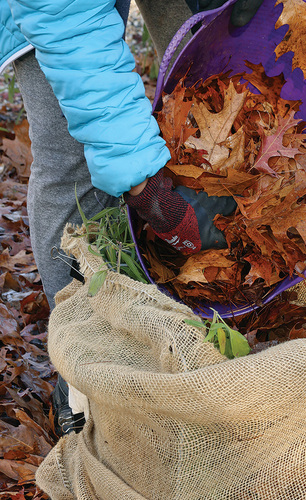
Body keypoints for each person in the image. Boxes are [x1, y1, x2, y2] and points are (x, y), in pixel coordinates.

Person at [1, 0, 263, 434]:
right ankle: (84, 369)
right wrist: (154, 196)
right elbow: (75, 44)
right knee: (70, 154)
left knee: (213, 87)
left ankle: (210, 326)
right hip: (58, 13)